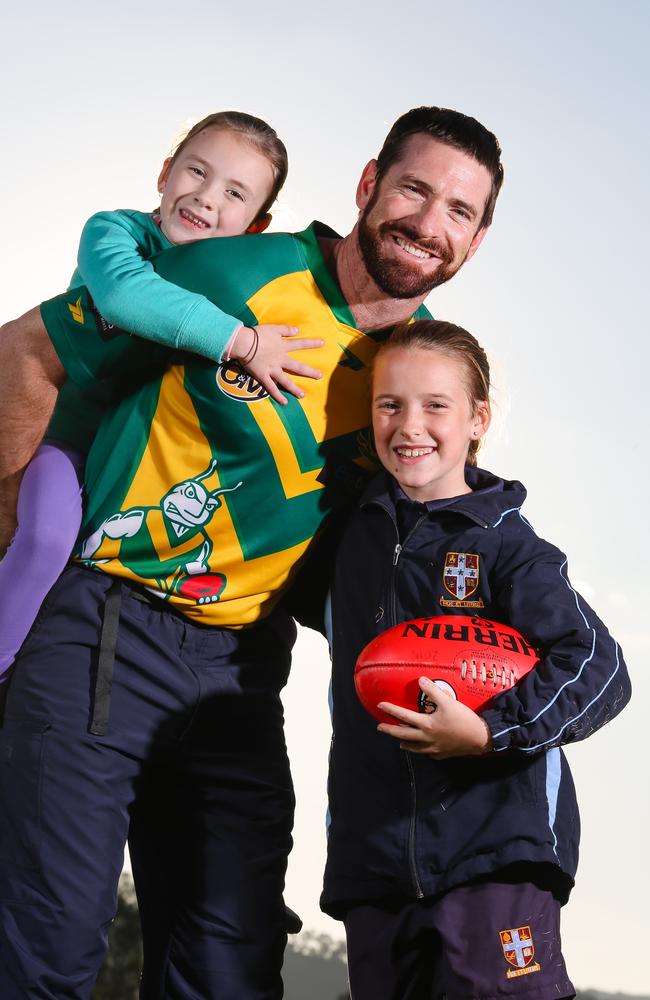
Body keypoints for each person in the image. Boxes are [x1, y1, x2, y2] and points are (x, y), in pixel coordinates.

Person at [0, 107, 504, 999]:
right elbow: (30, 355)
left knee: (229, 971)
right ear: (368, 185)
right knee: (48, 952)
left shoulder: (418, 378)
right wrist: (16, 532)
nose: (430, 224)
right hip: (105, 632)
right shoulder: (226, 274)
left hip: (242, 673)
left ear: (477, 236)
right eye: (415, 190)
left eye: (459, 211)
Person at [320, 320, 631, 1000]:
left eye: (436, 405)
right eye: (389, 404)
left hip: (494, 854)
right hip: (373, 863)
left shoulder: (508, 546)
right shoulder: (348, 534)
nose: (410, 425)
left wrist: (489, 733)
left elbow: (600, 666)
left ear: (478, 418)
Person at [0, 110, 326, 676]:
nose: (204, 197)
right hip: (65, 439)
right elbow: (126, 297)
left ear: (258, 224)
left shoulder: (240, 279)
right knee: (49, 538)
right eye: (196, 172)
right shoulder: (117, 233)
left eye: (234, 192)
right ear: (164, 173)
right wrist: (244, 342)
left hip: (137, 475)